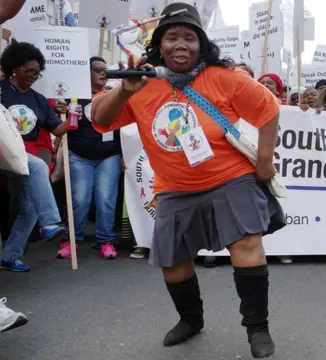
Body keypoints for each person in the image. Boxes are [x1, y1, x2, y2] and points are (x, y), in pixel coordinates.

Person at [90, 4, 285, 357]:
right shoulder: (140, 82)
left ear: (202, 44)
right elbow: (100, 120)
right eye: (172, 36)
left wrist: (265, 162)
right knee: (173, 261)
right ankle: (190, 319)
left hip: (230, 178)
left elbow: (269, 110)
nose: (182, 44)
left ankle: (257, 328)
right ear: (158, 44)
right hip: (174, 188)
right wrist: (124, 91)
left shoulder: (225, 77)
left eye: (190, 37)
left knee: (246, 245)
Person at [0, 41, 69, 272]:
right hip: (3, 151)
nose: (32, 76)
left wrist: (71, 120)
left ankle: (10, 256)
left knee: (29, 208)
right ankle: (50, 221)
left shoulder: (39, 99)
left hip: (23, 155)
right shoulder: (0, 90)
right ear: (14, 68)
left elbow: (56, 129)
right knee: (39, 166)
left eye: (36, 73)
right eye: (28, 71)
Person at [53, 57, 122, 260]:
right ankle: (71, 240)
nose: (103, 72)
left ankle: (106, 241)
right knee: (80, 199)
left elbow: (124, 127)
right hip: (79, 155)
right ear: (87, 73)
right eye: (97, 69)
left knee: (106, 200)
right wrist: (60, 109)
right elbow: (58, 124)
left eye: (105, 69)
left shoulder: (113, 95)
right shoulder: (73, 98)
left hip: (109, 156)